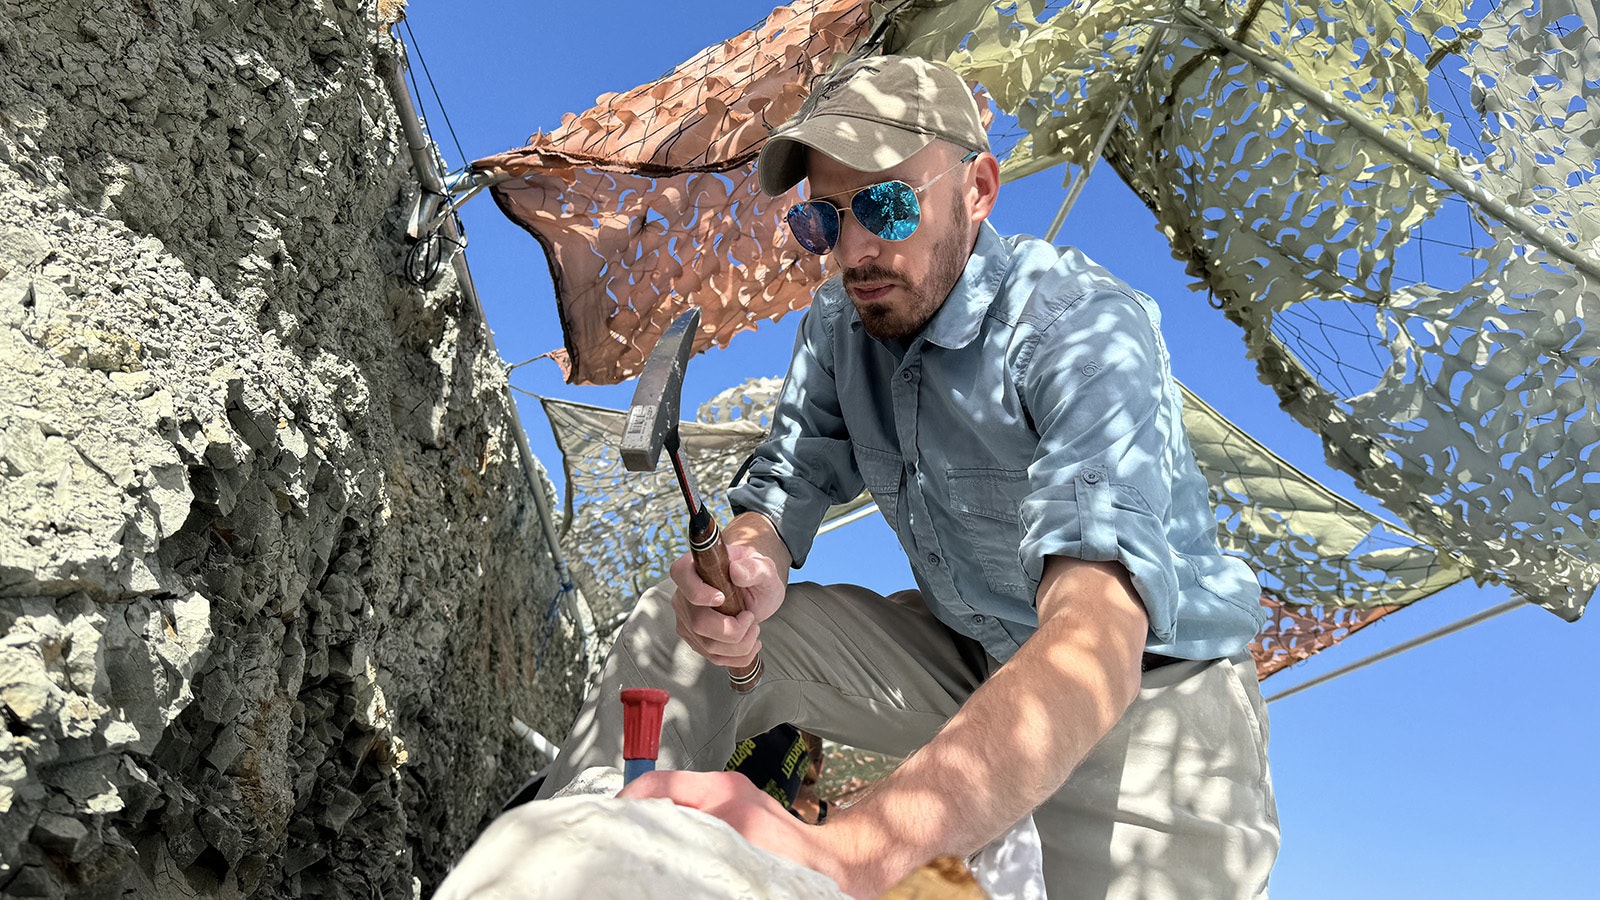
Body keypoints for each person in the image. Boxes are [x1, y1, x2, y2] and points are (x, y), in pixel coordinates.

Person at [536, 54, 1279, 899]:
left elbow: (1095, 640)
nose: (855, 249)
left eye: (887, 204)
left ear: (979, 189)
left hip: (1152, 693)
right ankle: (588, 852)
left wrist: (855, 850)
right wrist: (748, 561)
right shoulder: (839, 326)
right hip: (971, 652)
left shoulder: (1082, 331)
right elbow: (784, 483)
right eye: (824, 218)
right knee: (681, 631)